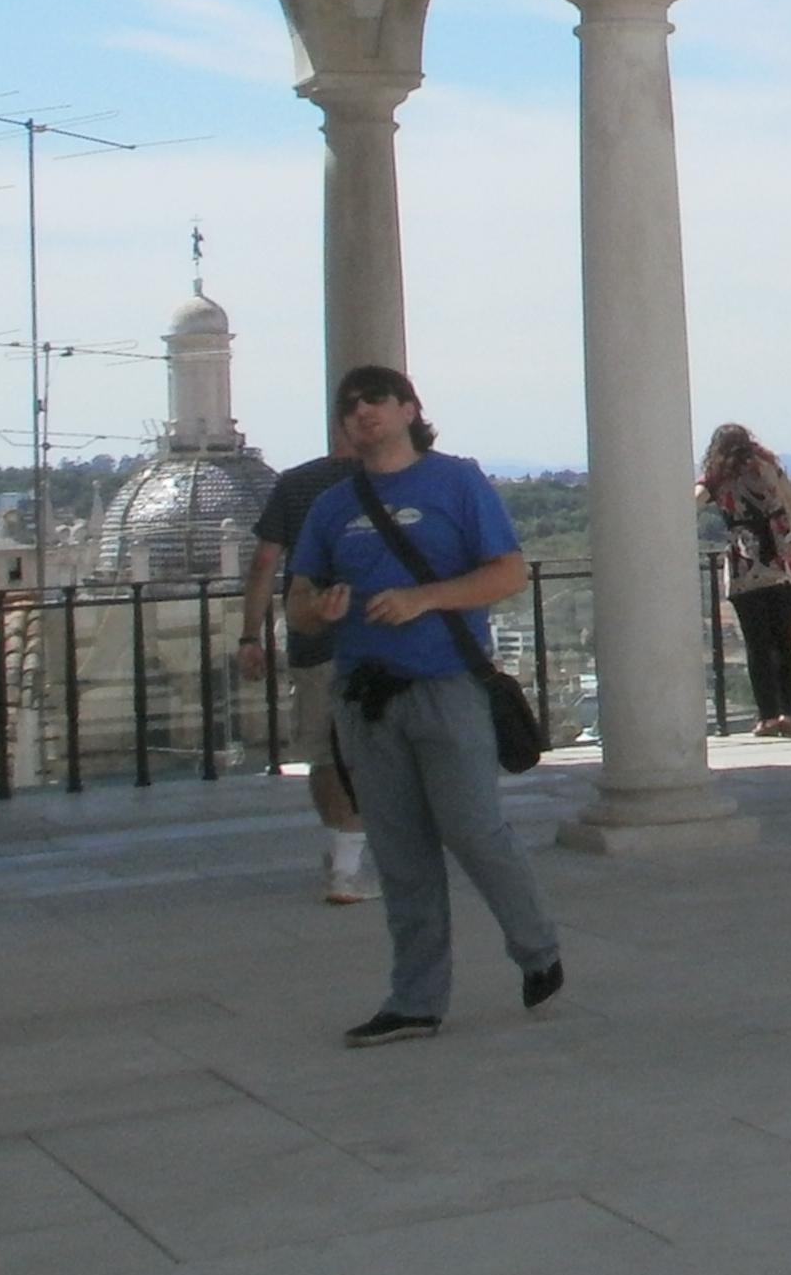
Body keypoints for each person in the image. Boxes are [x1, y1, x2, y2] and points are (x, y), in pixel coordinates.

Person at [283, 365, 564, 1047]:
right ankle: (415, 999)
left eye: (374, 399)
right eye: (349, 405)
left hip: (446, 685)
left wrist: (424, 599)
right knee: (400, 850)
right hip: (368, 697)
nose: (361, 413)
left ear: (410, 409)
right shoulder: (332, 508)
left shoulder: (456, 482)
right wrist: (319, 612)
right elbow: (297, 602)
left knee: (472, 827)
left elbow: (507, 571)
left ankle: (537, 950)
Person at [240, 386, 394, 905]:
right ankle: (358, 863)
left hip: (314, 640)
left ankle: (342, 856)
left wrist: (250, 635)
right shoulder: (399, 481)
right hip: (385, 636)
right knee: (381, 749)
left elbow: (265, 563)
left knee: (326, 753)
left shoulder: (297, 485)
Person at [701, 422, 791, 736]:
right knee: (784, 641)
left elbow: (691, 504)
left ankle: (767, 716)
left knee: (757, 644)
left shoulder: (716, 479)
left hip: (746, 565)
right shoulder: (769, 469)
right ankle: (787, 714)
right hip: (785, 561)